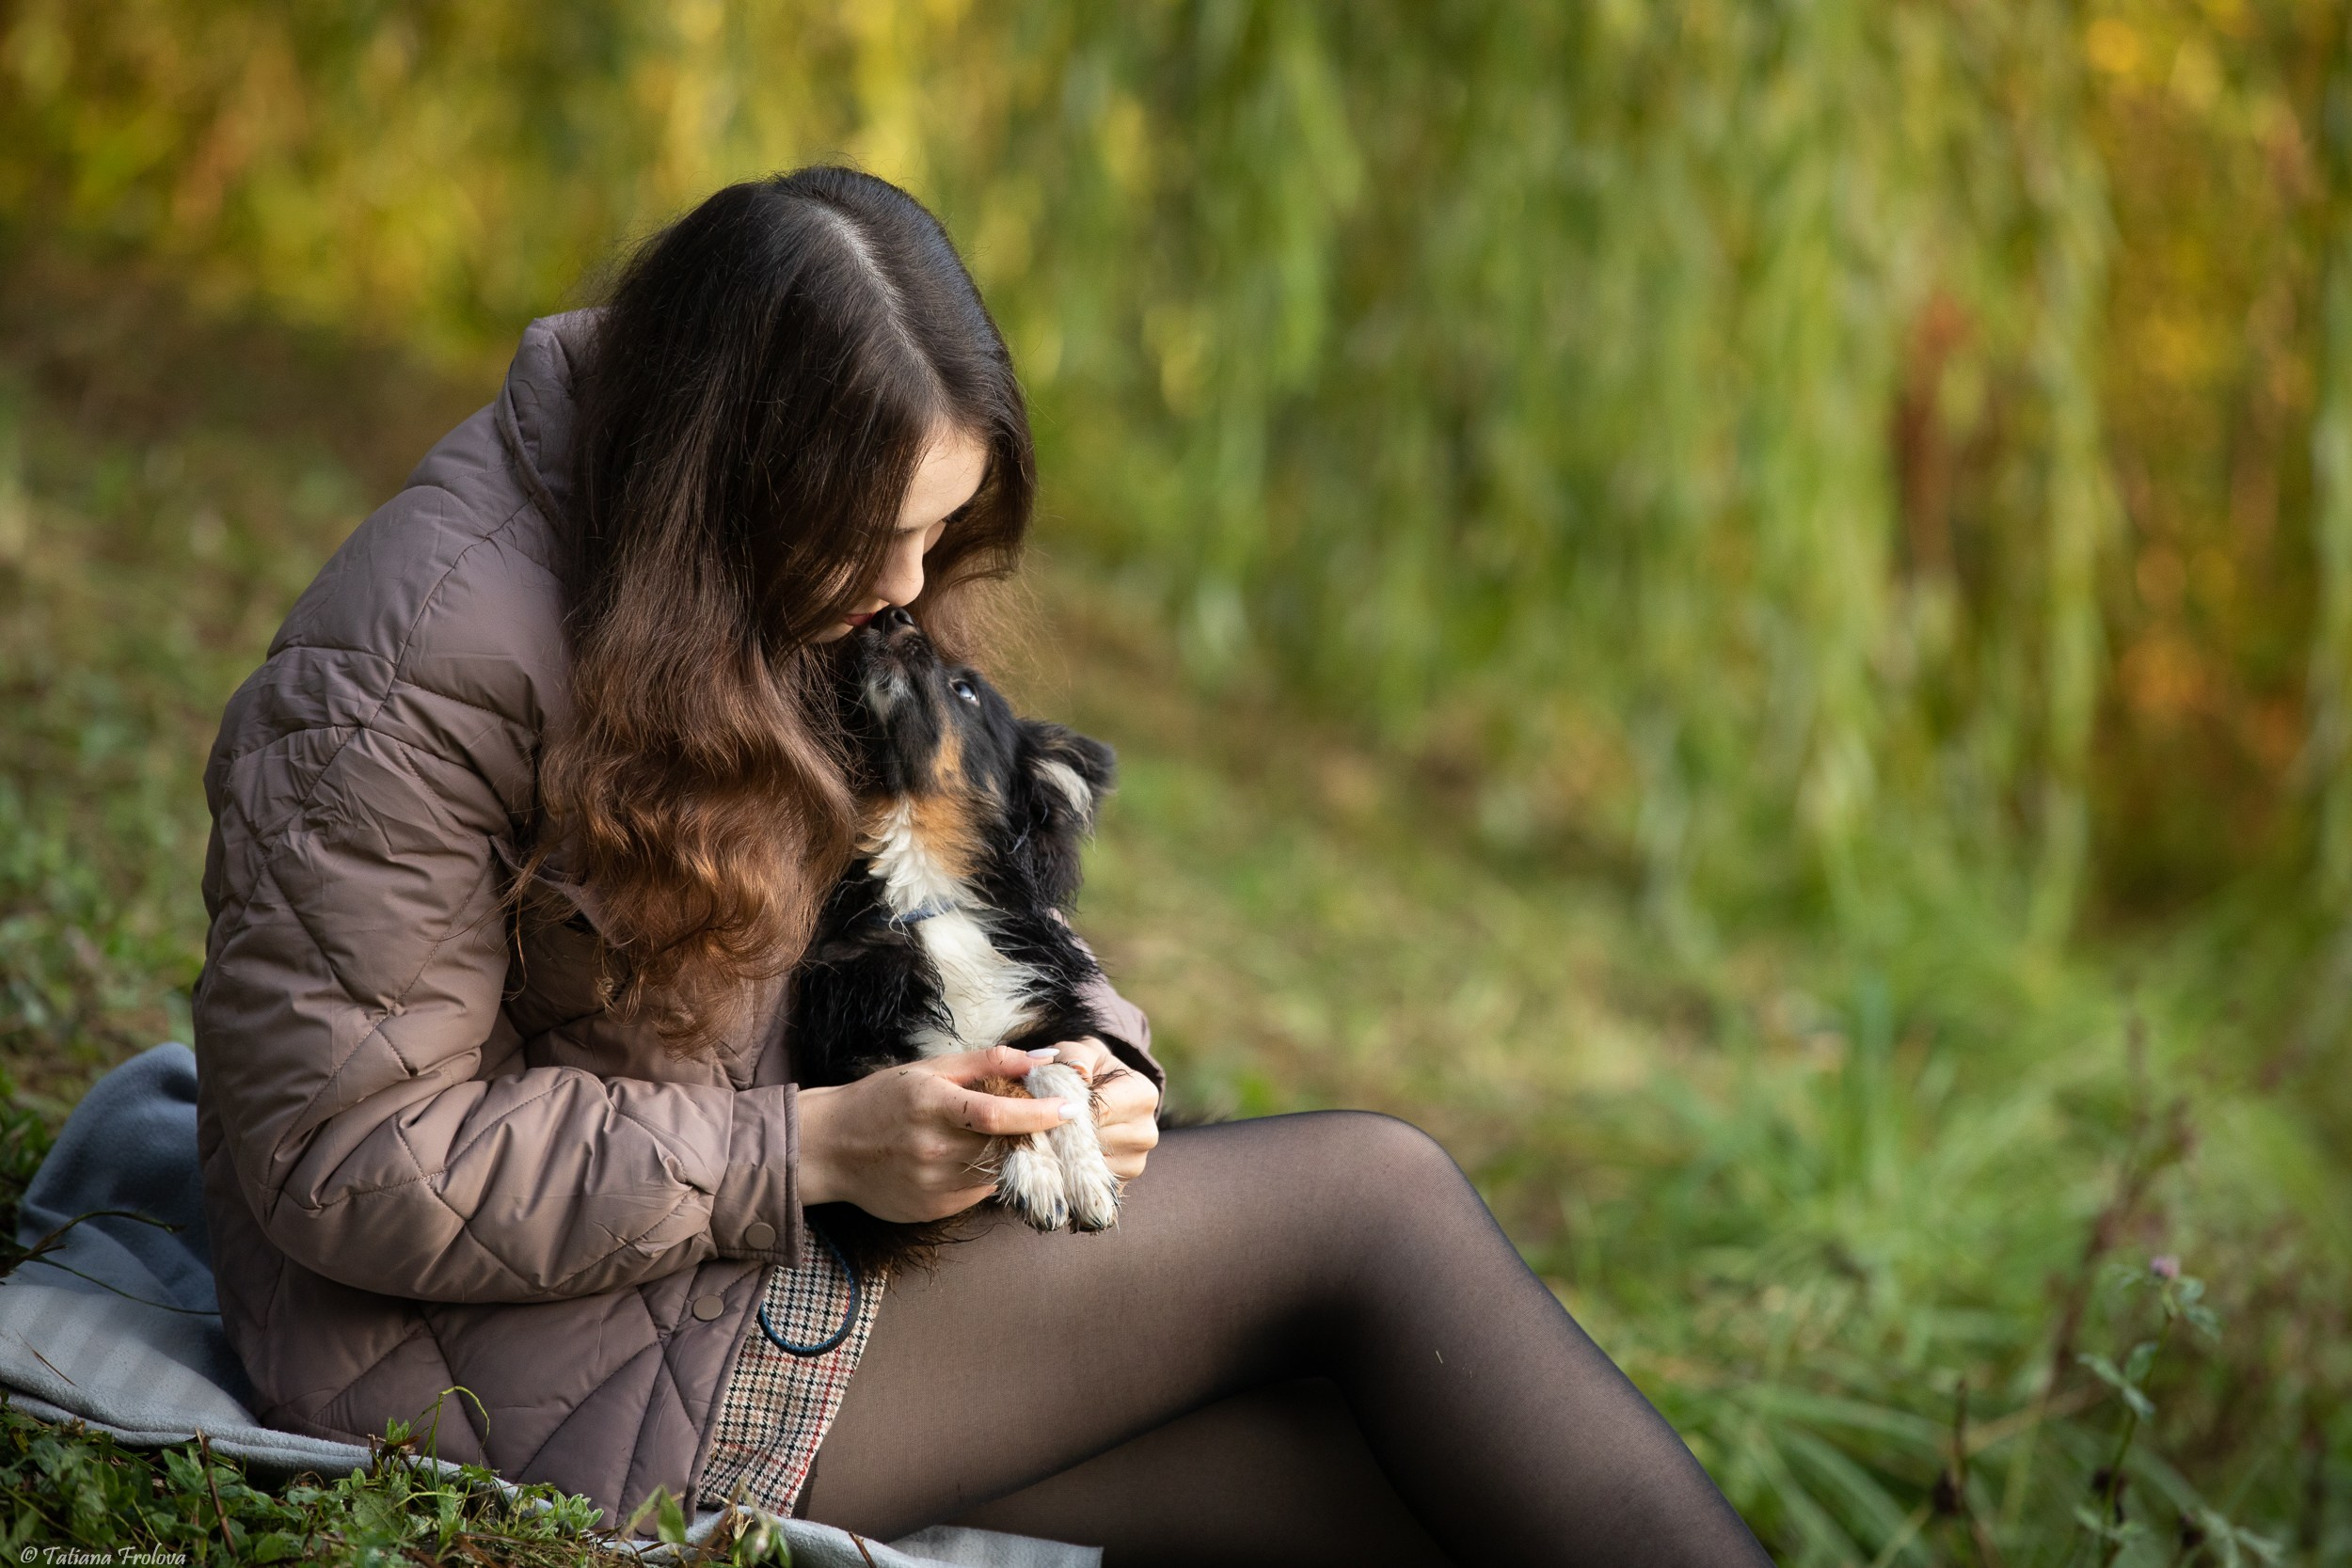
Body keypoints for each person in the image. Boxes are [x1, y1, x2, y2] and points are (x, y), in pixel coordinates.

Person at [191, 166, 1772, 1567]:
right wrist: (810, 1150)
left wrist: (1092, 1056)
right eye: (874, 535)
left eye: (939, 534)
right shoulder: (411, 665)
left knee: (1388, 1466)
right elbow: (350, 1160)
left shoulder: (787, 574)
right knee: (1376, 1203)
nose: (908, 586)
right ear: (725, 482)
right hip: (487, 1345)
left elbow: (964, 882)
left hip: (743, 1240)